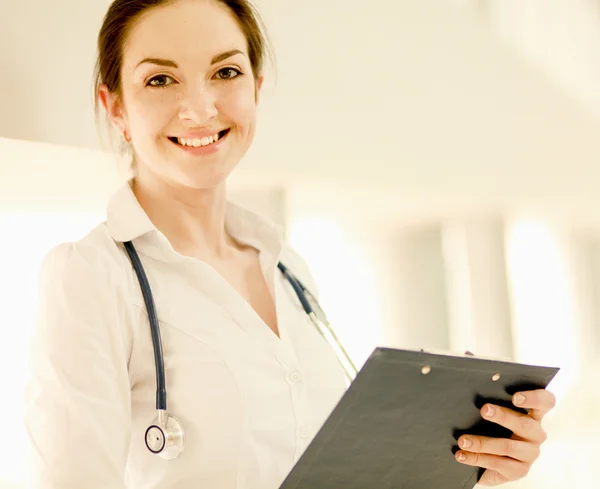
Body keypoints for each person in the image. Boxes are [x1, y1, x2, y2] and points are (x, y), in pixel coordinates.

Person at [23, 0, 556, 487]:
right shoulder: (92, 277)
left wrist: (470, 464)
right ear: (114, 106)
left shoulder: (288, 268)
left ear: (255, 86)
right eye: (161, 80)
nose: (201, 107)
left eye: (225, 72)